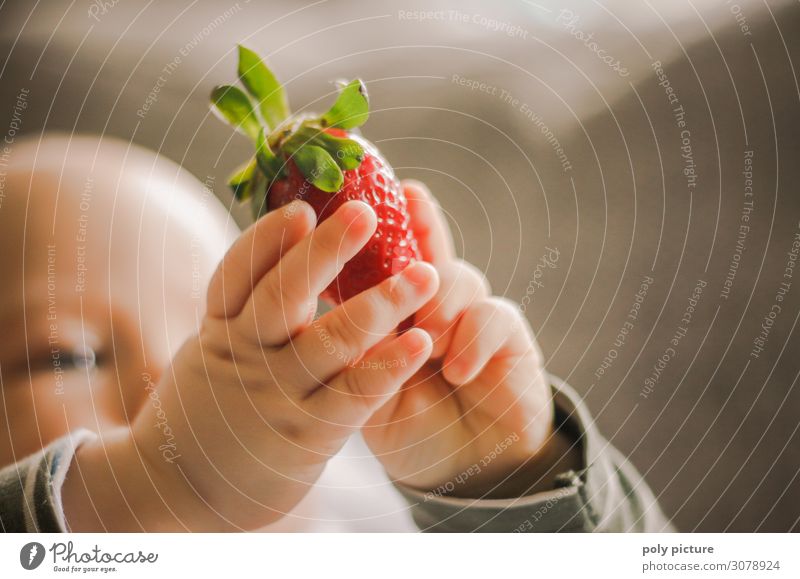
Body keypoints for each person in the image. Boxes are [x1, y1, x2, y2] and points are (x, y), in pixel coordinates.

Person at [0, 135, 672, 532]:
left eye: (242, 340)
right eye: (69, 356)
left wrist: (505, 487)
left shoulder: (360, 521)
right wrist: (166, 480)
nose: (181, 389)